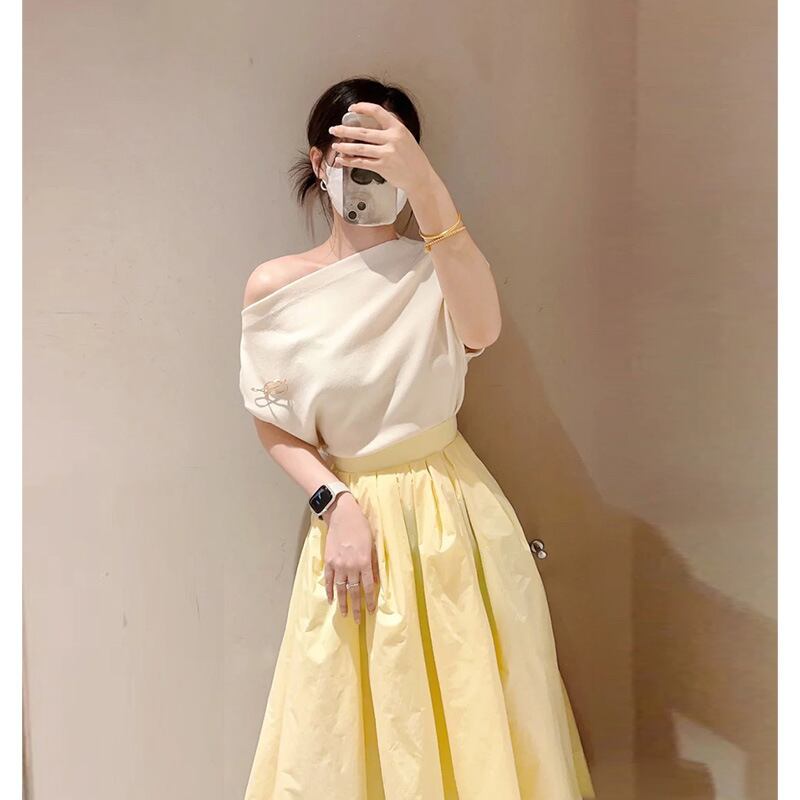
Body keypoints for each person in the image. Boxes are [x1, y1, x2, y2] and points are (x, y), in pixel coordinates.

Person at [239, 76, 596, 800]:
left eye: (390, 157)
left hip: (450, 514)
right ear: (320, 162)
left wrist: (427, 188)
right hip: (352, 522)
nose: (371, 176)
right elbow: (272, 418)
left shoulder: (438, 264)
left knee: (473, 713)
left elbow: (482, 329)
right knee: (345, 725)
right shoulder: (276, 286)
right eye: (354, 156)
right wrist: (334, 503)